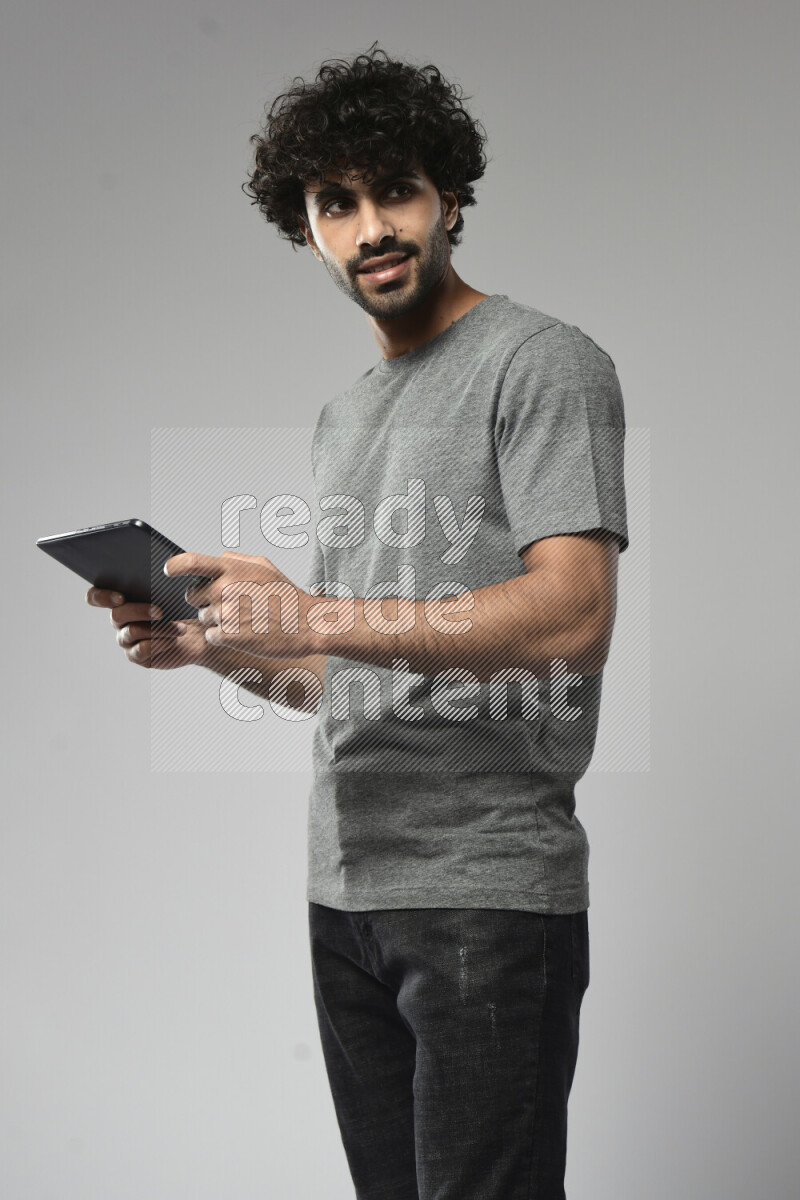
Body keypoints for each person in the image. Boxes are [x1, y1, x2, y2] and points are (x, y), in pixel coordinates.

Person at [87, 44, 629, 1200]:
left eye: (396, 192)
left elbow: (571, 617)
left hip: (483, 891)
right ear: (306, 226)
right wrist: (220, 650)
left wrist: (313, 608)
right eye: (337, 202)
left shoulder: (541, 364)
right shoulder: (345, 418)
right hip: (347, 891)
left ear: (448, 200)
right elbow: (355, 672)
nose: (371, 225)